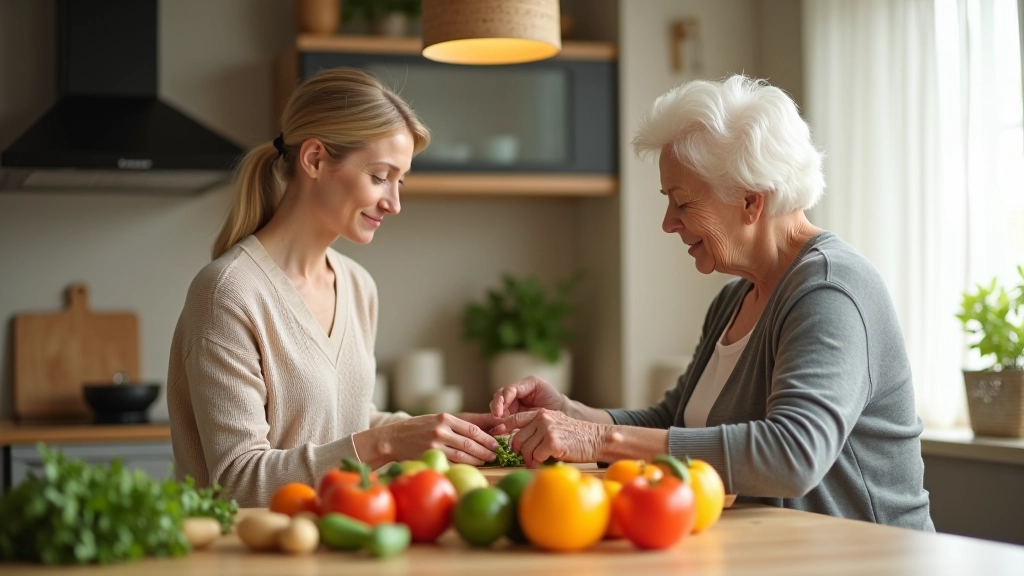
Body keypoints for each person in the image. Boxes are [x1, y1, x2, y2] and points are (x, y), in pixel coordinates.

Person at [487, 75, 933, 530]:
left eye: (682, 203)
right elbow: (674, 420)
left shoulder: (829, 291)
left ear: (750, 202)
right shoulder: (734, 298)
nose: (668, 223)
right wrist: (570, 414)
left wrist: (598, 439)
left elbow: (793, 455)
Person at [167, 68, 498, 507]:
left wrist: (449, 431)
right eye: (380, 176)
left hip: (345, 543)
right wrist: (387, 442)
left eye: (400, 181)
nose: (394, 203)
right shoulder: (228, 293)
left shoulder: (359, 286)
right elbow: (239, 482)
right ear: (316, 159)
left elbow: (342, 425)